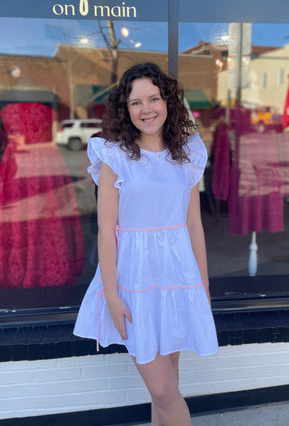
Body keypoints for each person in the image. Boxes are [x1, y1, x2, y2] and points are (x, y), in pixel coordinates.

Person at [74, 62, 218, 425]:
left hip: (177, 278)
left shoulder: (187, 153)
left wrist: (202, 287)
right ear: (125, 108)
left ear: (168, 101)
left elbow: (194, 225)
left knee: (166, 389)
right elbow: (106, 229)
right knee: (164, 391)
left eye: (154, 98)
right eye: (136, 102)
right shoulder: (115, 156)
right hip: (133, 282)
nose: (146, 109)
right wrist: (110, 295)